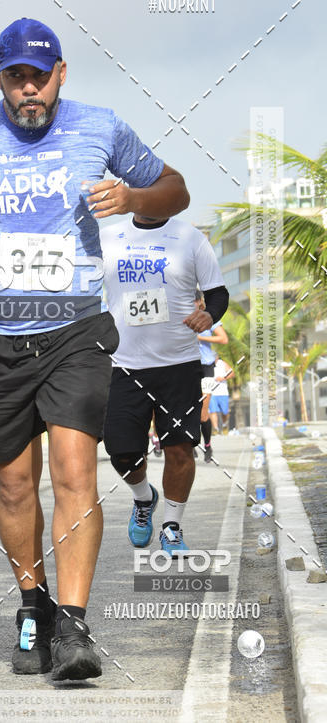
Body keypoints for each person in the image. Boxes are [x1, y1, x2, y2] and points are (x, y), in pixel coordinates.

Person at [0, 17, 190, 680]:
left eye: (39, 74)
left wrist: (135, 196)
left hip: (75, 329)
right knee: (13, 481)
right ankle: (34, 606)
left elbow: (173, 188)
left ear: (62, 73)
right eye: (15, 76)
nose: (28, 88)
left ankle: (76, 627)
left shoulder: (101, 127)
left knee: (73, 472)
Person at [101, 209, 228, 556]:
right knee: (121, 451)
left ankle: (171, 526)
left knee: (180, 448)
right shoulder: (108, 237)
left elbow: (218, 293)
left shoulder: (189, 237)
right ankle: (144, 498)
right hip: (124, 365)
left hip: (179, 364)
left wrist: (209, 315)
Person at [195, 293, 228, 449]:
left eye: (194, 301)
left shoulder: (209, 317)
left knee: (202, 412)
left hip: (206, 367)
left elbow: (223, 339)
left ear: (199, 302)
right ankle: (191, 445)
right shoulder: (180, 318)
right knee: (186, 410)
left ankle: (207, 444)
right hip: (187, 367)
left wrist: (201, 338)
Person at [209, 357, 234, 434]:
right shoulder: (206, 363)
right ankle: (215, 429)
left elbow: (232, 374)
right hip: (211, 392)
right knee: (213, 411)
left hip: (223, 392)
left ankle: (224, 425)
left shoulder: (222, 363)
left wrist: (223, 378)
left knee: (225, 412)